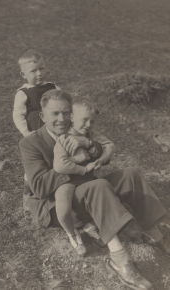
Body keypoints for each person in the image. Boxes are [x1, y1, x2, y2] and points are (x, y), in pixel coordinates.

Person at [19, 89, 170, 290]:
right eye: (54, 114)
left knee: (131, 174)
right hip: (57, 204)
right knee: (98, 185)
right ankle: (119, 259)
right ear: (42, 116)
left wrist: (89, 144)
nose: (61, 119)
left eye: (66, 112)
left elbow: (100, 147)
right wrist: (73, 162)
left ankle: (154, 235)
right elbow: (39, 187)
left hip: (90, 193)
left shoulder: (75, 130)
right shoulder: (30, 143)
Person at [53, 97, 115, 256]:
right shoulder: (64, 138)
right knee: (63, 209)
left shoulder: (92, 135)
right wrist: (83, 168)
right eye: (84, 120)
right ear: (72, 118)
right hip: (67, 180)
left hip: (88, 179)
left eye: (92, 121)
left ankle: (92, 225)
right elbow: (59, 165)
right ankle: (71, 233)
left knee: (105, 195)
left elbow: (109, 145)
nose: (88, 125)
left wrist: (102, 159)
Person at [13, 49, 60, 136]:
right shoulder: (23, 93)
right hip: (37, 133)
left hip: (57, 128)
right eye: (33, 71)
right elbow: (18, 115)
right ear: (23, 75)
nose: (39, 73)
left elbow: (66, 104)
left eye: (41, 69)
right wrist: (26, 132)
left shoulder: (53, 87)